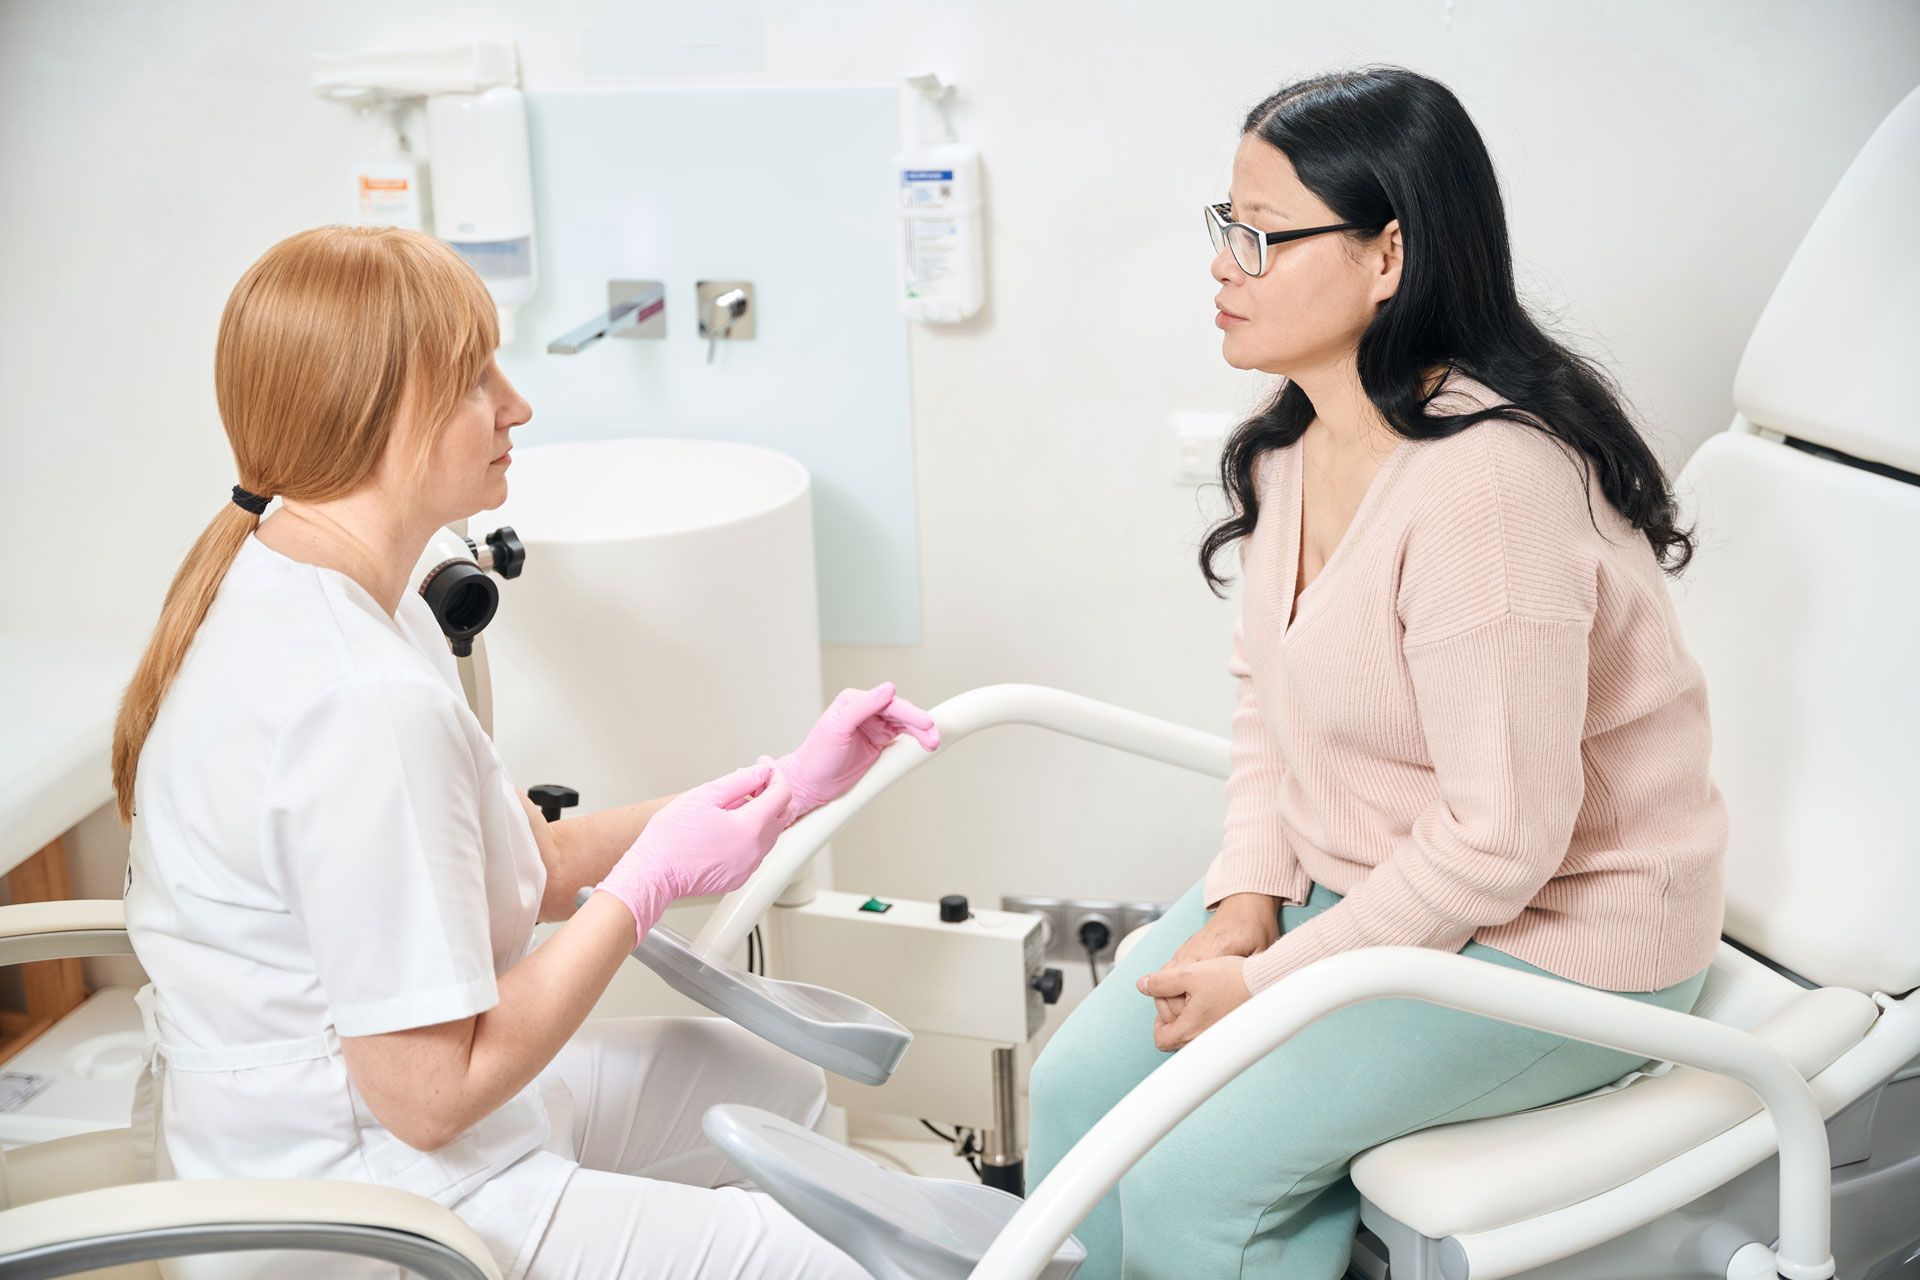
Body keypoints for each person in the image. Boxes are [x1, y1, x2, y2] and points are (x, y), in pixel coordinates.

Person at [113, 224, 937, 1279]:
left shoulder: (347, 593)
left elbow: (526, 865)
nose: (517, 405)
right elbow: (430, 1096)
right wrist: (643, 888)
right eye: (475, 378)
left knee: (763, 1080)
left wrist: (787, 787)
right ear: (376, 414)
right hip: (374, 1205)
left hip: (398, 1138)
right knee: (841, 1261)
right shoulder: (356, 701)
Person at [1028, 66, 1726, 1280]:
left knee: (1198, 1169)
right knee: (1075, 1090)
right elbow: (1270, 712)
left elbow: (1504, 839)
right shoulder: (1294, 449)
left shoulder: (1489, 487)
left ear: (1387, 255)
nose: (1222, 265)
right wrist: (1245, 898)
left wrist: (1267, 982)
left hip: (1556, 938)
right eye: (1224, 227)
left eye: (1262, 236)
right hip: (1363, 892)